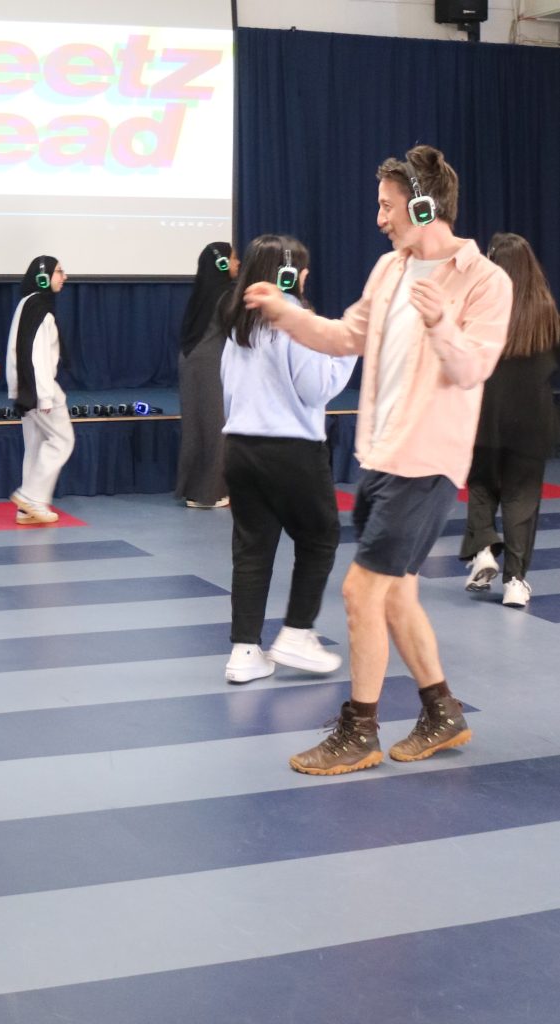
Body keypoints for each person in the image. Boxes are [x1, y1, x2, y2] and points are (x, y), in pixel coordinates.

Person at [244, 145, 512, 775]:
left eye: (388, 206)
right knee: (396, 597)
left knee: (361, 592)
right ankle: (443, 713)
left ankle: (358, 730)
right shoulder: (390, 270)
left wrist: (443, 323)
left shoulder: (484, 280)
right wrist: (285, 314)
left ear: (422, 207)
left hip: (426, 459)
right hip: (381, 453)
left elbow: (472, 367)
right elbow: (345, 336)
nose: (380, 219)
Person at [221, 234, 356, 684]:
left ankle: (244, 651)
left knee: (252, 549)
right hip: (292, 450)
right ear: (289, 275)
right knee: (320, 537)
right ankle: (297, 633)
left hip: (240, 446)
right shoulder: (297, 322)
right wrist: (348, 350)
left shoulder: (239, 325)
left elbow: (229, 391)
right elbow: (317, 389)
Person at [460, 233, 560, 609]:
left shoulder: (480, 307)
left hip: (485, 414)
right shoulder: (546, 310)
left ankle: (483, 550)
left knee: (482, 486)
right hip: (532, 419)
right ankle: (515, 581)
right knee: (522, 498)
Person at [7, 255, 74, 524]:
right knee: (62, 440)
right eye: (59, 271)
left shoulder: (27, 303)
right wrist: (44, 396)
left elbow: (19, 352)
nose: (64, 277)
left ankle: (28, 509)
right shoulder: (40, 309)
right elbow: (37, 356)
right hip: (39, 390)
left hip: (26, 388)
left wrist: (21, 390)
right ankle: (31, 497)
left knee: (35, 446)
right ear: (43, 277)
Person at [175, 242, 239, 509]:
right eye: (233, 259)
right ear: (222, 264)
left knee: (195, 426)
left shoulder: (202, 291)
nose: (237, 263)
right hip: (210, 362)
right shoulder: (227, 295)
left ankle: (194, 490)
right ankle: (208, 494)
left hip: (191, 360)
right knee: (214, 426)